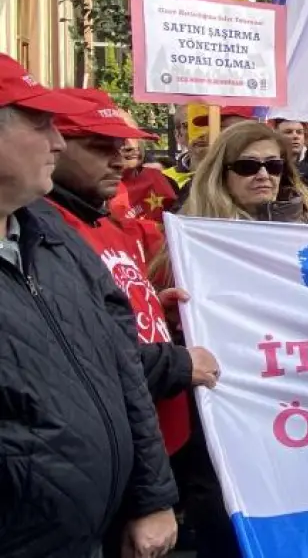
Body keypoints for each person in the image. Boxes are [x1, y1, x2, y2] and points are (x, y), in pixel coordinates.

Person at [0, 57, 179, 558]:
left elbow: (119, 364)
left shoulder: (51, 234)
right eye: (40, 124)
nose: (56, 142)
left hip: (92, 532)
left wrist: (151, 496)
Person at [157, 121, 308, 558]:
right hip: (225, 418)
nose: (264, 175)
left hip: (301, 412)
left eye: (274, 165)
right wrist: (164, 311)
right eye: (248, 165)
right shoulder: (189, 241)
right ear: (223, 172)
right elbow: (154, 321)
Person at [45, 88, 220, 454]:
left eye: (120, 146)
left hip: (158, 437)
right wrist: (175, 364)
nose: (118, 160)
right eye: (98, 146)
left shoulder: (105, 224)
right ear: (54, 145)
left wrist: (151, 307)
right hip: (108, 446)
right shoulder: (46, 232)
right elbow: (76, 351)